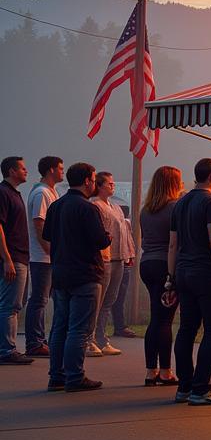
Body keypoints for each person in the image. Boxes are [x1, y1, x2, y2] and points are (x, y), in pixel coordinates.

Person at [167, 158, 211, 406]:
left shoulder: (180, 203)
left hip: (184, 272)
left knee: (187, 328)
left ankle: (184, 386)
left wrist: (171, 277)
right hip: (208, 274)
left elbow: (173, 244)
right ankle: (201, 388)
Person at [43, 162, 110, 391]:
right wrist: (107, 235)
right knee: (80, 329)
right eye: (93, 179)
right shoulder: (88, 208)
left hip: (61, 273)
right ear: (87, 181)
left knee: (60, 326)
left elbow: (48, 236)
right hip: (85, 274)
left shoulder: (56, 206)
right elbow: (101, 240)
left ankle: (57, 375)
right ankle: (75, 376)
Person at [139, 165, 184, 386]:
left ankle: (151, 370)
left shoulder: (145, 210)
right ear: (173, 184)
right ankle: (165, 370)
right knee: (165, 319)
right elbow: (176, 242)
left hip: (147, 262)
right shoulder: (175, 208)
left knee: (155, 318)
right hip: (165, 264)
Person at [90, 172, 135, 357]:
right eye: (109, 183)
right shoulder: (95, 206)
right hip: (104, 257)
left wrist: (129, 254)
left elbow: (124, 231)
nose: (112, 185)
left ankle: (102, 338)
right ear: (99, 185)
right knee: (97, 301)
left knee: (110, 300)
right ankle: (89, 339)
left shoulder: (115, 207)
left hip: (119, 257)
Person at [24, 156, 63, 357]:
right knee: (39, 299)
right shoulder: (41, 193)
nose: (62, 172)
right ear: (50, 170)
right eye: (60, 168)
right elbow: (39, 224)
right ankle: (34, 342)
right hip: (42, 257)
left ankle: (41, 339)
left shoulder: (51, 192)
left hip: (49, 255)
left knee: (45, 299)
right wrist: (49, 250)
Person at [0, 156, 33, 365]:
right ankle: (6, 350)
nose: (26, 171)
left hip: (20, 256)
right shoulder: (3, 193)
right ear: (12, 171)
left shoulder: (14, 193)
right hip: (13, 257)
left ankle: (7, 347)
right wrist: (7, 259)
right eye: (22, 168)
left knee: (14, 304)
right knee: (9, 305)